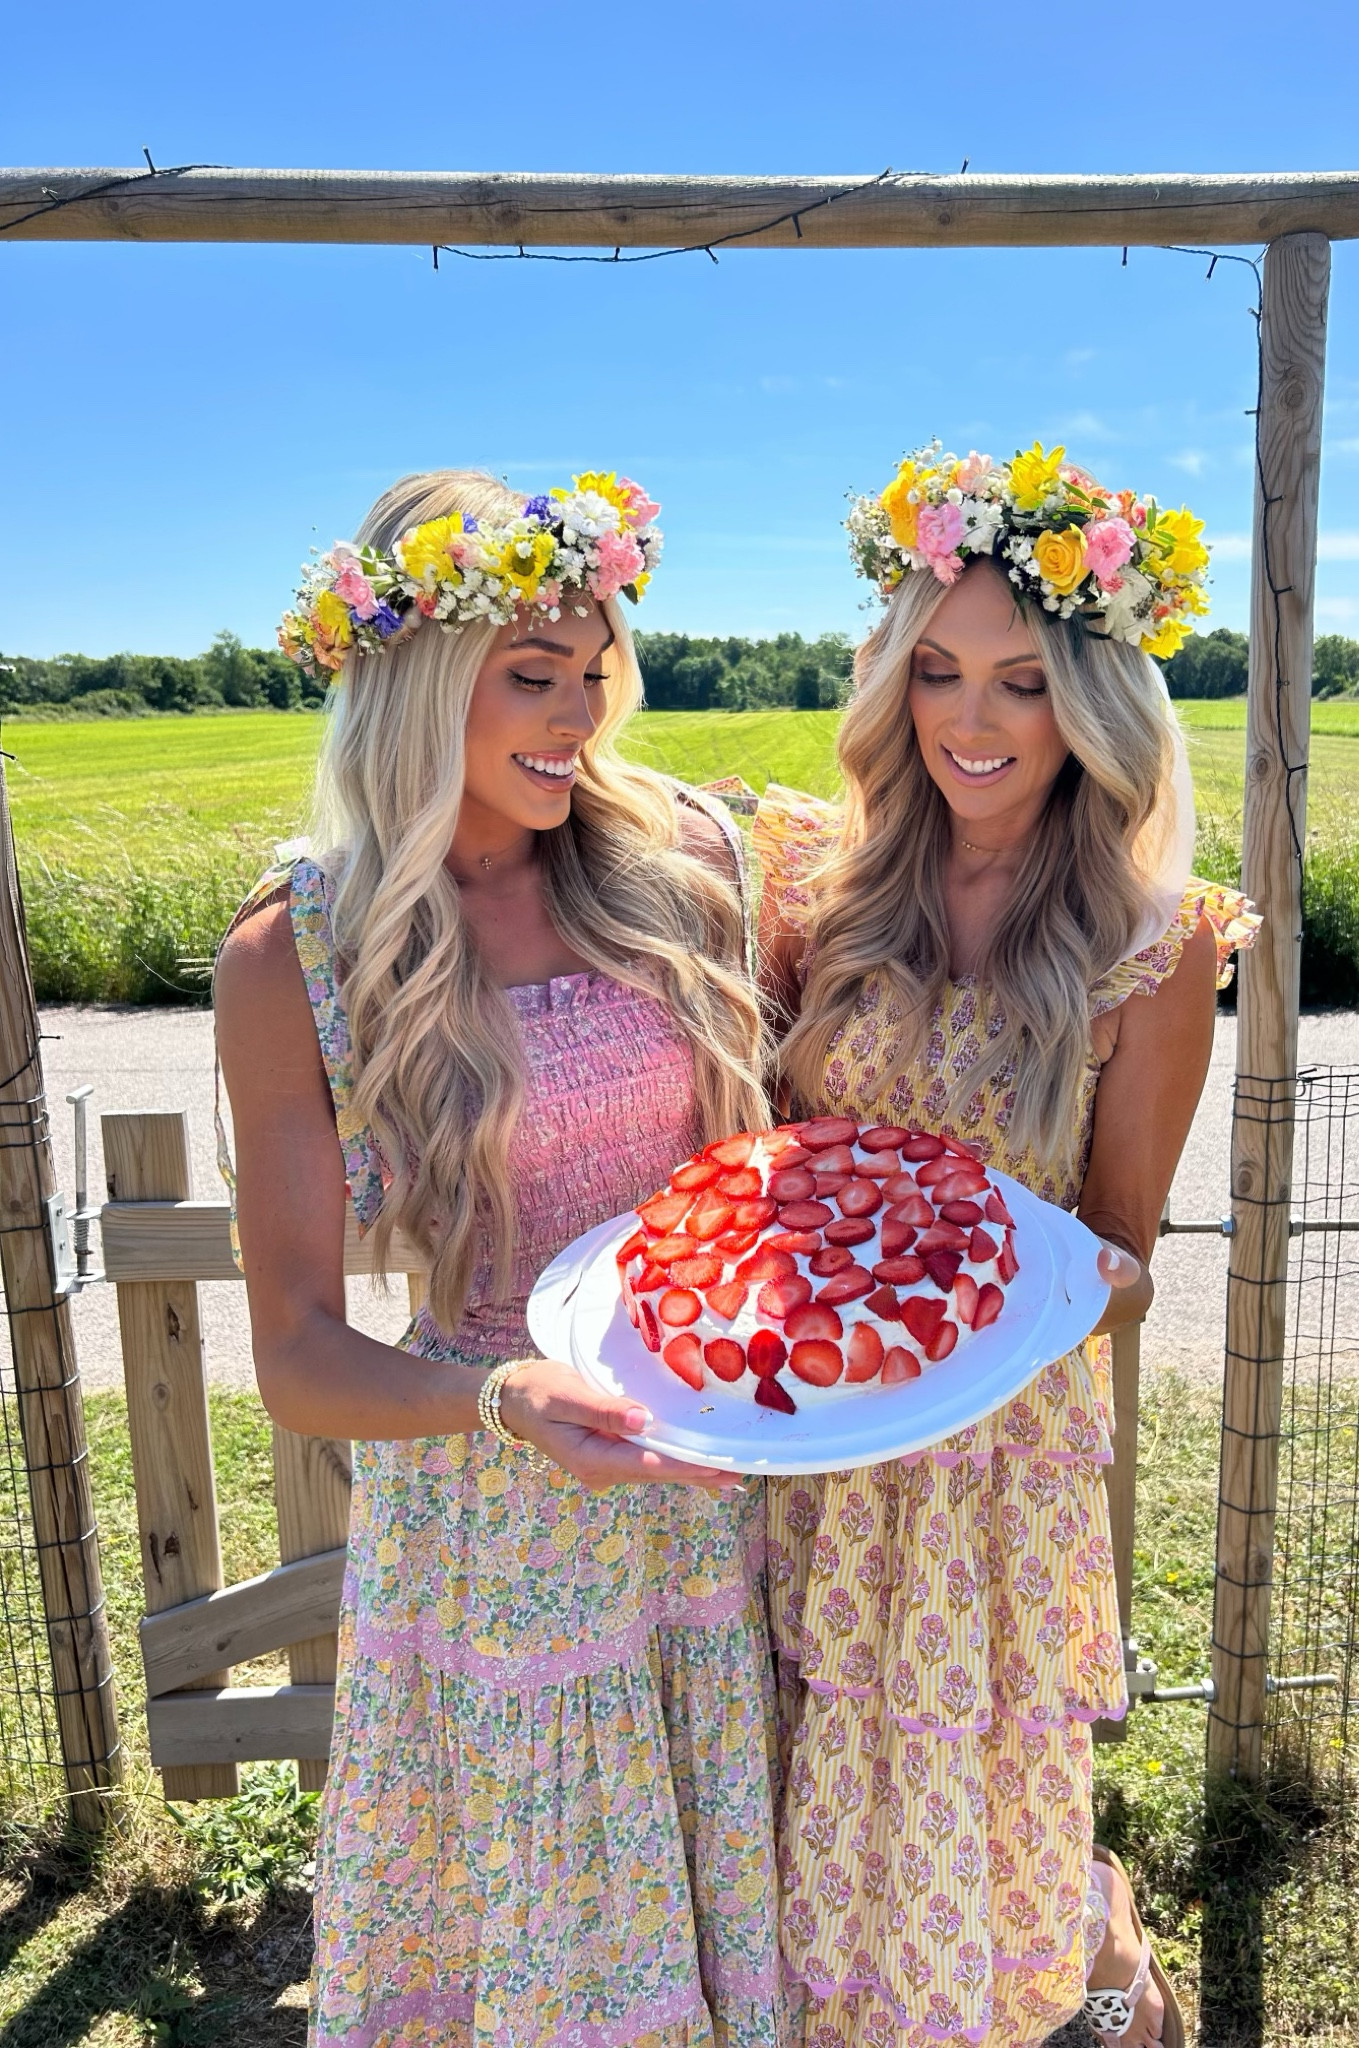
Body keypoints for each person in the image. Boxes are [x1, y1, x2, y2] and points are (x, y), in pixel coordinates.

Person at [215, 468, 786, 2048]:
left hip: (691, 1460)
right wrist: (504, 1402)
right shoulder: (300, 950)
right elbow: (299, 1353)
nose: (578, 714)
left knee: (710, 1911)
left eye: (594, 667)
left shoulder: (683, 865)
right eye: (528, 675)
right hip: (490, 1521)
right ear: (410, 682)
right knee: (541, 1956)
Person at [755, 442, 1259, 2048]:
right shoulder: (813, 896)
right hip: (820, 1424)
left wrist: (991, 1268)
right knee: (819, 1771)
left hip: (997, 1449)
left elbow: (1123, 1256)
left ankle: (1088, 1979)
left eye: (1025, 684)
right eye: (940, 674)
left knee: (985, 1801)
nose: (972, 723)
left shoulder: (1152, 948)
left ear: (1094, 705)